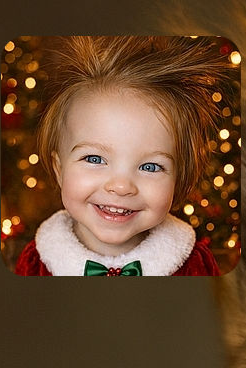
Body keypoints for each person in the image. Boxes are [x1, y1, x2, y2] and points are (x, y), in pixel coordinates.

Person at [15, 36, 232, 276]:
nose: (120, 186)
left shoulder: (194, 264)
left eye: (150, 166)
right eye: (95, 159)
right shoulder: (36, 262)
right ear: (59, 169)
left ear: (179, 180)